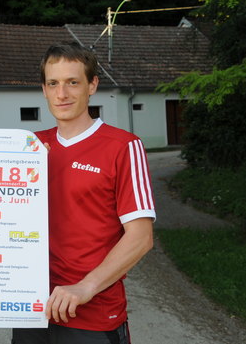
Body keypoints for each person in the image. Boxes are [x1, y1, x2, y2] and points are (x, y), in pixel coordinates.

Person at [12, 42, 156, 344]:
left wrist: (85, 287)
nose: (61, 94)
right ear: (44, 89)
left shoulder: (123, 146)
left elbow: (140, 238)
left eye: (72, 82)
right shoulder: (29, 147)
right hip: (30, 309)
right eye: (53, 83)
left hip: (92, 316)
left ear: (92, 85)